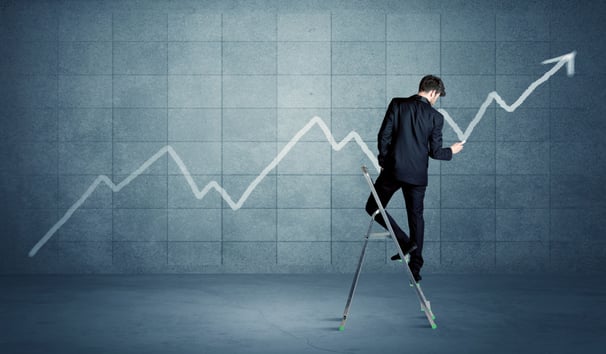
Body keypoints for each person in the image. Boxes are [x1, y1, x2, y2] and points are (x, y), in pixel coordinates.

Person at [365, 75, 464, 283]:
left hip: (393, 169)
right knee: (416, 219)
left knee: (373, 207)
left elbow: (384, 135)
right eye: (438, 96)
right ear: (433, 92)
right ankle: (415, 268)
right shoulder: (436, 117)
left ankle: (403, 240)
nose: (436, 100)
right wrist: (451, 151)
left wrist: (383, 160)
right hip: (418, 176)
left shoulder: (397, 104)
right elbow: (435, 152)